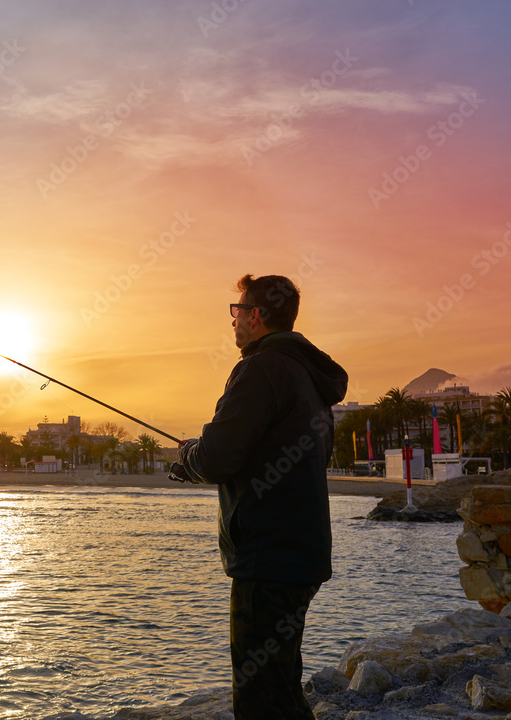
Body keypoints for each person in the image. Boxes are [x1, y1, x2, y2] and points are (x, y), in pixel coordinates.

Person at [170, 274, 348, 719]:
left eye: (236, 312)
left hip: (267, 557)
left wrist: (189, 456)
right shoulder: (307, 376)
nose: (233, 322)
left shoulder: (260, 368)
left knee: (258, 698)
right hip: (300, 554)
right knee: (281, 687)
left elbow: (218, 457)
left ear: (255, 315)